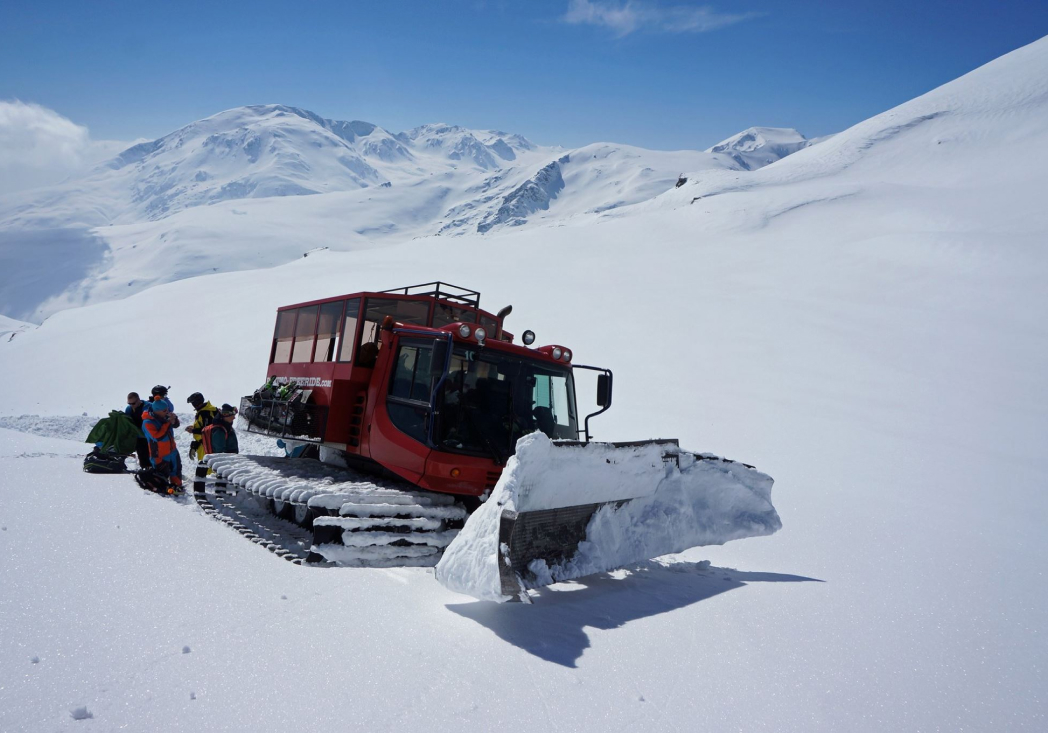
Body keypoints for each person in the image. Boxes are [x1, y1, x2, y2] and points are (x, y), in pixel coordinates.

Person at [141, 399, 183, 490]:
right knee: (162, 476)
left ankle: (177, 487)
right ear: (157, 411)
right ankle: (164, 492)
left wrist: (174, 420)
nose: (167, 412)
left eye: (167, 409)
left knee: (176, 470)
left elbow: (176, 425)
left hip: (172, 450)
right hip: (159, 454)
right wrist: (168, 423)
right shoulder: (147, 422)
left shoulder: (163, 416)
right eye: (164, 411)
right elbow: (158, 437)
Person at [185, 392, 218, 461]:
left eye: (192, 403)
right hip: (205, 445)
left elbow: (208, 431)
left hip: (207, 447)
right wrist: (194, 446)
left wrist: (193, 430)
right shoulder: (207, 411)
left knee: (208, 469)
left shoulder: (205, 413)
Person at [124, 392, 150, 468]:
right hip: (138, 437)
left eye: (133, 403)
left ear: (138, 400)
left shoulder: (148, 407)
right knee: (142, 457)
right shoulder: (129, 409)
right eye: (129, 403)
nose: (132, 405)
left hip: (149, 436)